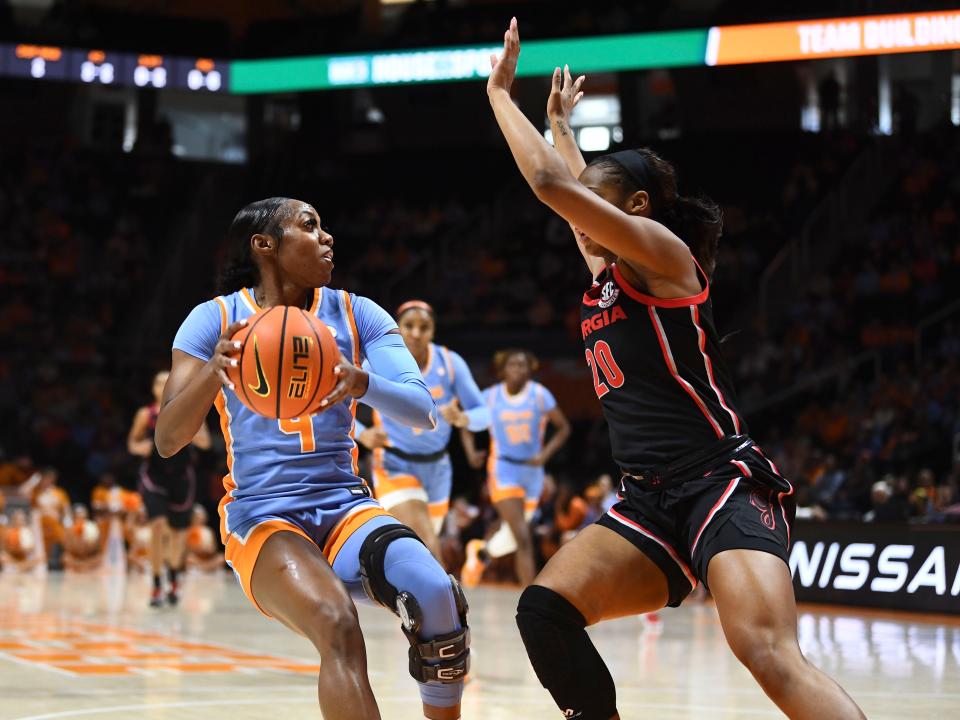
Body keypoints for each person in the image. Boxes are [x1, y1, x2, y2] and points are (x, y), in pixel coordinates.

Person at [487, 20, 865, 720]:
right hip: (649, 498)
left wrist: (499, 94)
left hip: (720, 482)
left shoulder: (664, 257)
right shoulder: (606, 270)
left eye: (593, 205)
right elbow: (569, 186)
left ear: (634, 211)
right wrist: (562, 126)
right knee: (544, 610)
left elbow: (547, 183)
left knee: (766, 653)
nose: (578, 220)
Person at [154, 197, 469, 720]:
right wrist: (216, 370)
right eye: (310, 225)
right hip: (263, 517)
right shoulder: (214, 319)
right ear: (265, 245)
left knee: (438, 596)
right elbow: (168, 438)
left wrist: (361, 380)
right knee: (338, 625)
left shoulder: (357, 312)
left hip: (344, 506)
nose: (327, 237)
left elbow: (423, 410)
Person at [356, 300, 489, 560]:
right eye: (409, 326)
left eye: (424, 327)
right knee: (426, 543)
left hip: (438, 468)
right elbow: (335, 402)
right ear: (397, 328)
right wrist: (363, 434)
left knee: (423, 545)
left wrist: (464, 419)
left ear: (433, 331)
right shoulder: (377, 361)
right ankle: (446, 599)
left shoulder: (450, 363)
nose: (416, 333)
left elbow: (484, 414)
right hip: (394, 463)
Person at [460, 348, 570, 587]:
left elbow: (563, 428)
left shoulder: (540, 395)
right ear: (502, 370)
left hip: (532, 473)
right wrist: (471, 453)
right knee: (523, 537)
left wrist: (544, 455)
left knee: (512, 537)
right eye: (513, 365)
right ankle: (531, 601)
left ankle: (481, 553)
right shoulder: (490, 397)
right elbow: (466, 424)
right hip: (503, 469)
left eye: (523, 365)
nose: (518, 369)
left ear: (530, 370)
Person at [129, 369, 211, 607]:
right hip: (154, 477)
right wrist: (140, 447)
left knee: (178, 535)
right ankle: (155, 584)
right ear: (153, 389)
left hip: (182, 478)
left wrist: (191, 430)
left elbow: (205, 443)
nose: (163, 387)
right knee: (156, 526)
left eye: (168, 383)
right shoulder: (146, 414)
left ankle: (174, 576)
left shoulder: (190, 410)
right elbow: (132, 444)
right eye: (159, 383)